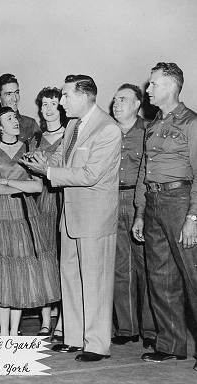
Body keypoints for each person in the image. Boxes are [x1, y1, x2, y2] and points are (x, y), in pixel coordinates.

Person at [23, 74, 121, 362]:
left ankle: (97, 343)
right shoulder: (73, 127)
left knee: (95, 282)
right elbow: (64, 163)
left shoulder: (108, 129)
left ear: (84, 95)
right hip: (71, 214)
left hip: (95, 218)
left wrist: (49, 173)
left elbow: (90, 175)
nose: (62, 101)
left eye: (66, 96)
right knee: (71, 277)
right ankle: (75, 337)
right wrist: (44, 163)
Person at [132, 62, 197, 371]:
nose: (148, 90)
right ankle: (171, 345)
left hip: (180, 201)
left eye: (153, 84)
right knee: (161, 277)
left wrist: (193, 218)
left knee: (193, 277)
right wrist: (141, 214)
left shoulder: (191, 123)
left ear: (170, 87)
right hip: (155, 201)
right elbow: (146, 170)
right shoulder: (154, 124)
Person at [0, 106, 47, 336]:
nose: (15, 121)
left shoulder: (29, 149)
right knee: (1, 271)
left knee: (19, 272)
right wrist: (14, 186)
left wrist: (5, 183)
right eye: (9, 118)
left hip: (23, 214)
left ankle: (14, 332)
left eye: (15, 117)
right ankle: (3, 332)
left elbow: (37, 186)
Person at [111, 83, 156, 348]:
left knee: (146, 266)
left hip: (141, 201)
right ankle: (126, 328)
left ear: (138, 104)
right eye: (115, 100)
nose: (117, 104)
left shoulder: (149, 131)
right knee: (120, 266)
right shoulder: (106, 133)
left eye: (123, 100)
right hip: (112, 200)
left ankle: (150, 330)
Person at [34, 87, 67, 340]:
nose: (47, 109)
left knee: (64, 261)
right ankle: (46, 319)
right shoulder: (35, 137)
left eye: (52, 104)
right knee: (44, 259)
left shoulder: (70, 136)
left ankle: (64, 321)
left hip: (63, 200)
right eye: (44, 104)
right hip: (41, 201)